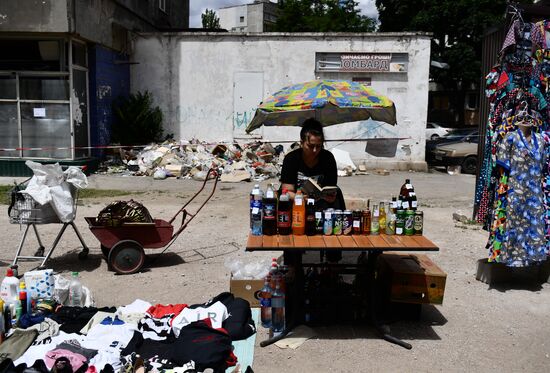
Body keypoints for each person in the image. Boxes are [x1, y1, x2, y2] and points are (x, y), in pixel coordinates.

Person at [280, 118, 344, 210]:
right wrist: (301, 198)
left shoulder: (328, 158)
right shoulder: (291, 159)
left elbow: (330, 187)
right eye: (310, 146)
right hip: (297, 204)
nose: (314, 150)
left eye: (318, 146)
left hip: (322, 205)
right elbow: (286, 191)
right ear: (302, 143)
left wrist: (330, 196)